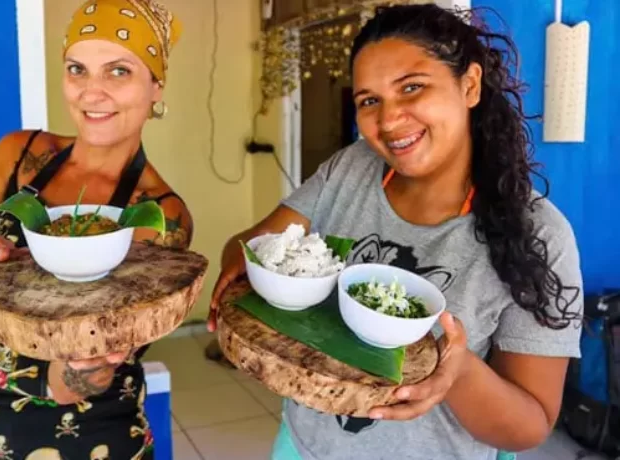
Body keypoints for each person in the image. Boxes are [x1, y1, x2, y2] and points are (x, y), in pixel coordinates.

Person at [209, 4, 584, 460]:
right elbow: (257, 244)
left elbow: (531, 425)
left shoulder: (541, 234)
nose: (388, 121)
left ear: (469, 85)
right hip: (302, 447)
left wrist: (456, 370)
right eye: (369, 100)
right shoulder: (352, 169)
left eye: (412, 87)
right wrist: (238, 266)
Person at [0, 1, 192, 459]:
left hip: (93, 434)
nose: (92, 93)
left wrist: (85, 361)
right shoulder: (20, 153)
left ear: (156, 86)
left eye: (119, 72)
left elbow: (75, 382)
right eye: (77, 69)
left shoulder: (157, 214)